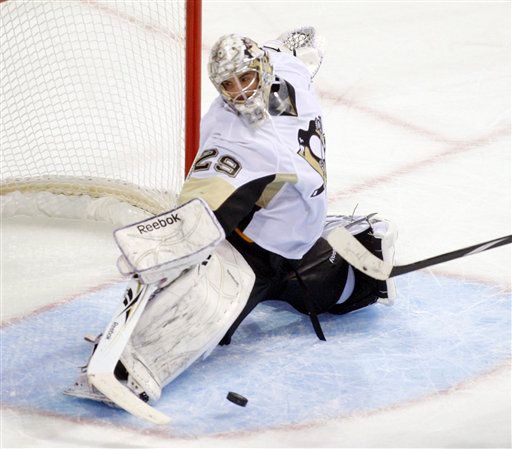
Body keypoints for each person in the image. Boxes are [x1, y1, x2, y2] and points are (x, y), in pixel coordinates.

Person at [66, 28, 397, 410]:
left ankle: (340, 241)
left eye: (246, 77)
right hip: (253, 247)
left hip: (297, 231)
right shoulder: (234, 134)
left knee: (342, 291)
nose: (239, 91)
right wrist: (165, 250)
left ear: (264, 67)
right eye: (227, 84)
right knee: (208, 310)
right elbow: (204, 211)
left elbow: (298, 46)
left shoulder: (286, 72)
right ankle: (130, 367)